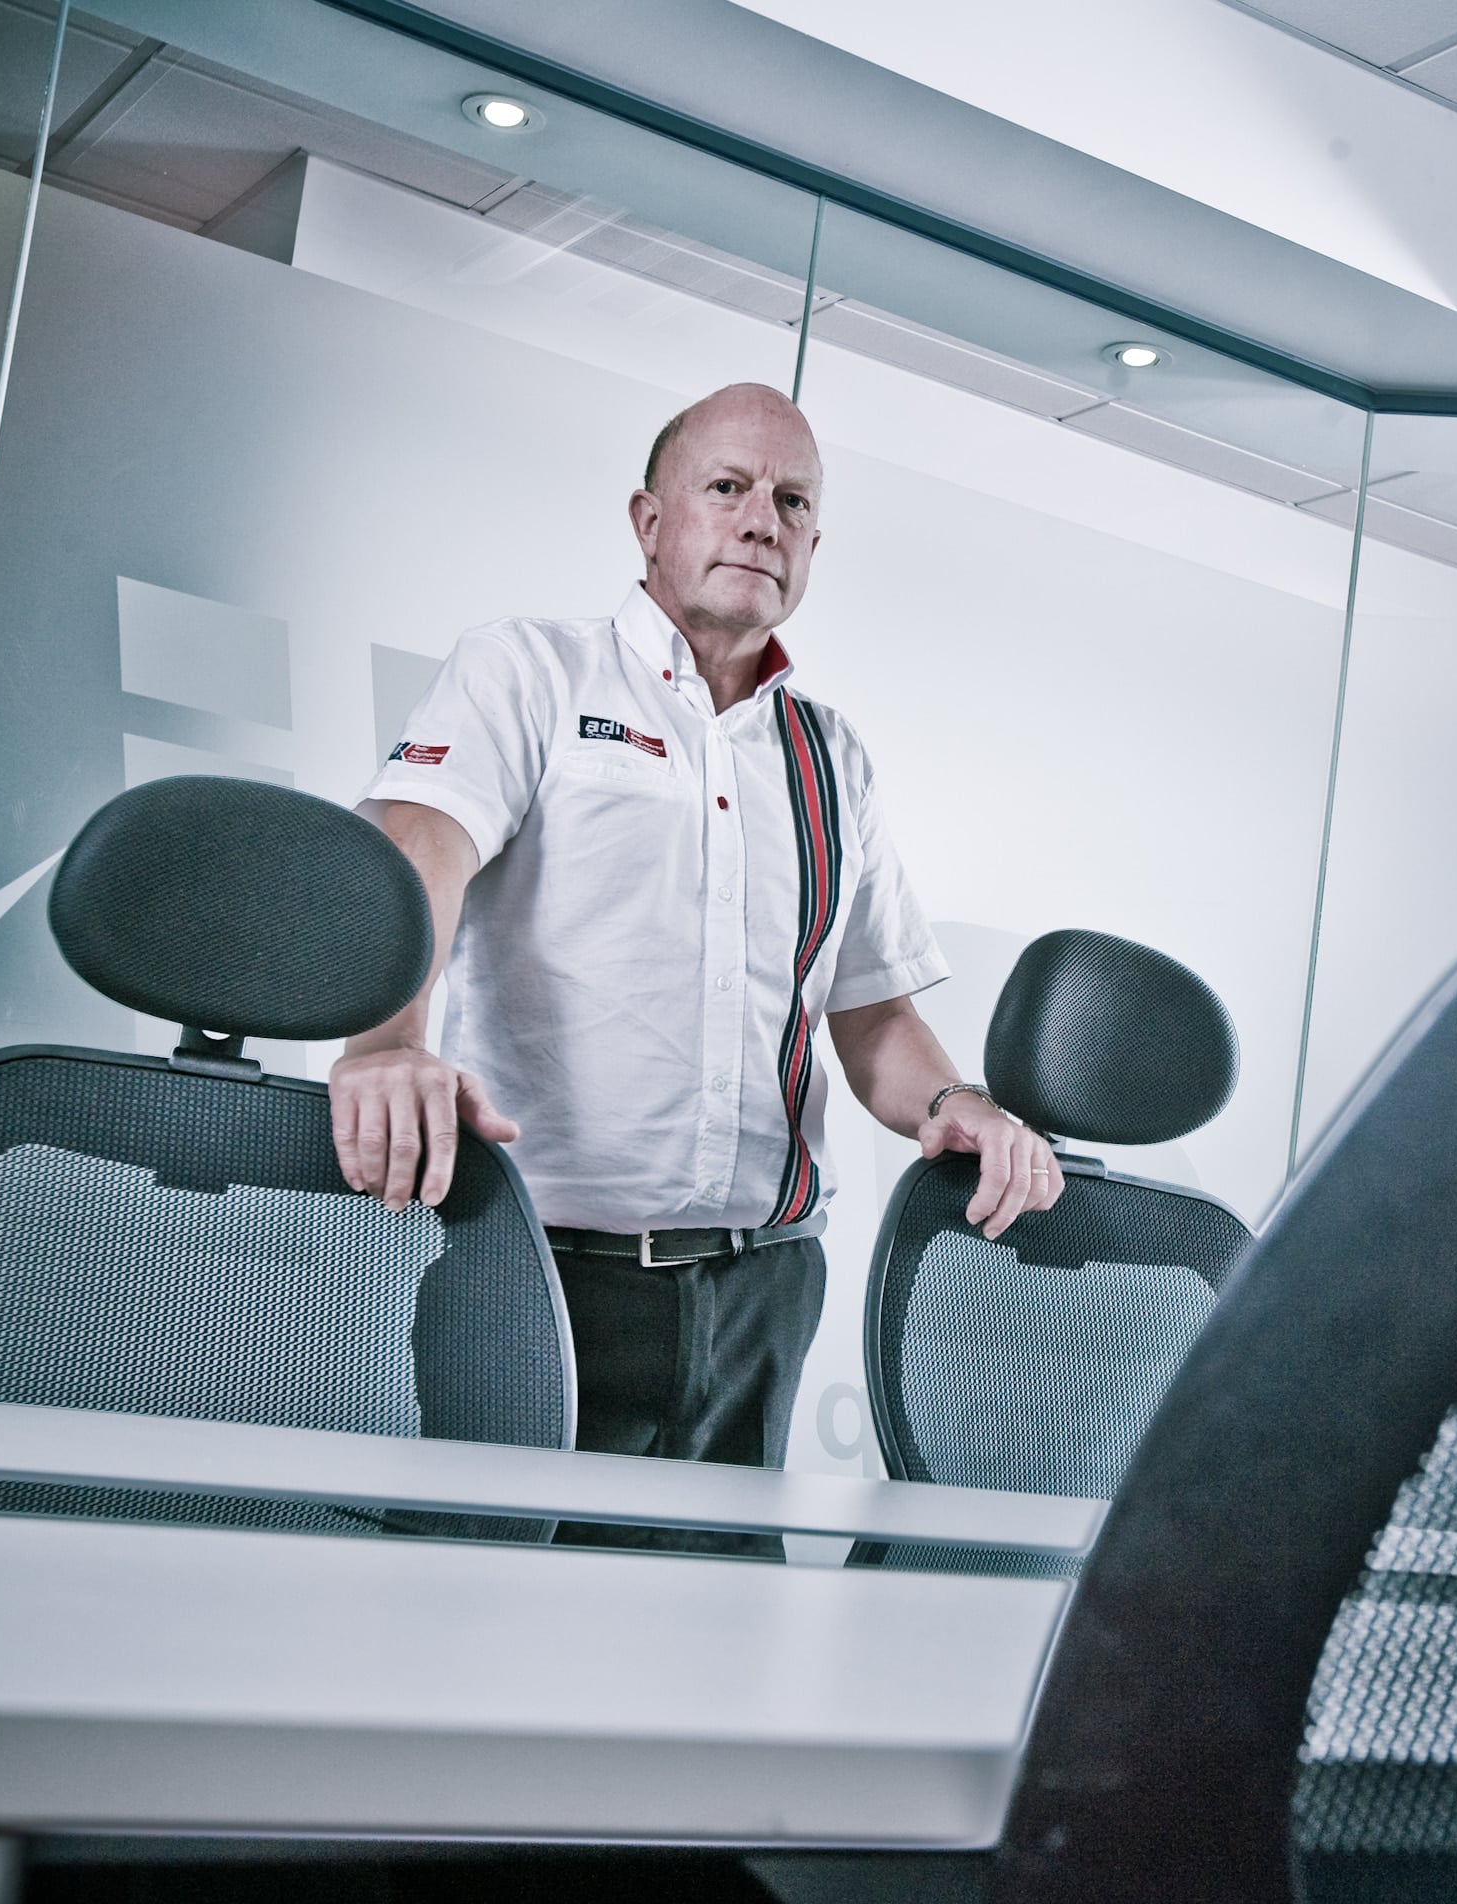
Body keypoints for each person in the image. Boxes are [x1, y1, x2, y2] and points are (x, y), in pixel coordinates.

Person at [336, 381, 1061, 1485]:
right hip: (533, 1270)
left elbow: (872, 1015)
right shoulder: (530, 670)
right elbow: (419, 844)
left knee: (717, 1592)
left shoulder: (832, 758)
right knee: (488, 1582)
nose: (762, 520)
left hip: (762, 1291)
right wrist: (387, 1042)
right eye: (727, 487)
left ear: (812, 544)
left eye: (793, 501)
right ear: (649, 520)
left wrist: (953, 1101)